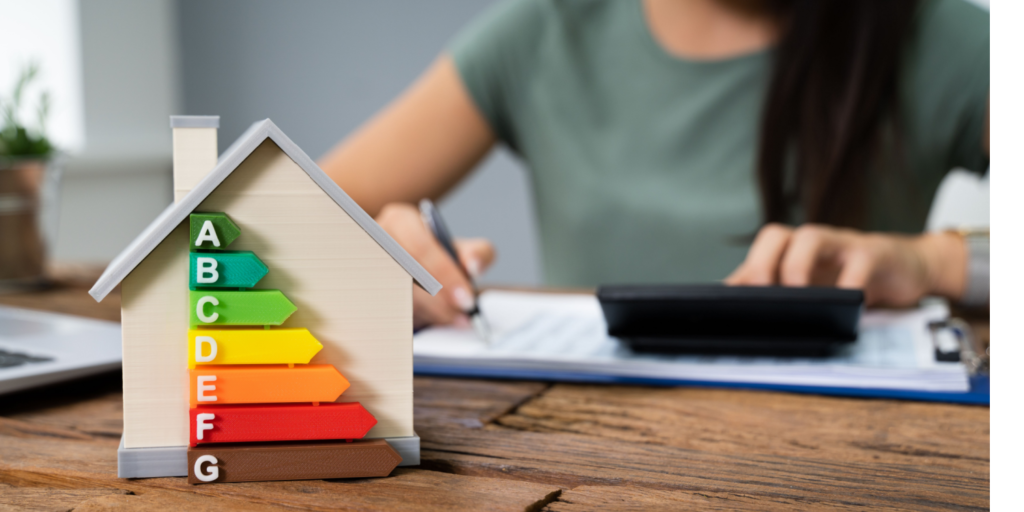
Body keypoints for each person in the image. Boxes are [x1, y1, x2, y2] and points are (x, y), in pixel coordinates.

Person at [318, 0, 991, 329]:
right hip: (579, 452)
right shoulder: (549, 27)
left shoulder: (943, 39)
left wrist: (936, 263)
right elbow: (261, 227)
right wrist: (372, 263)